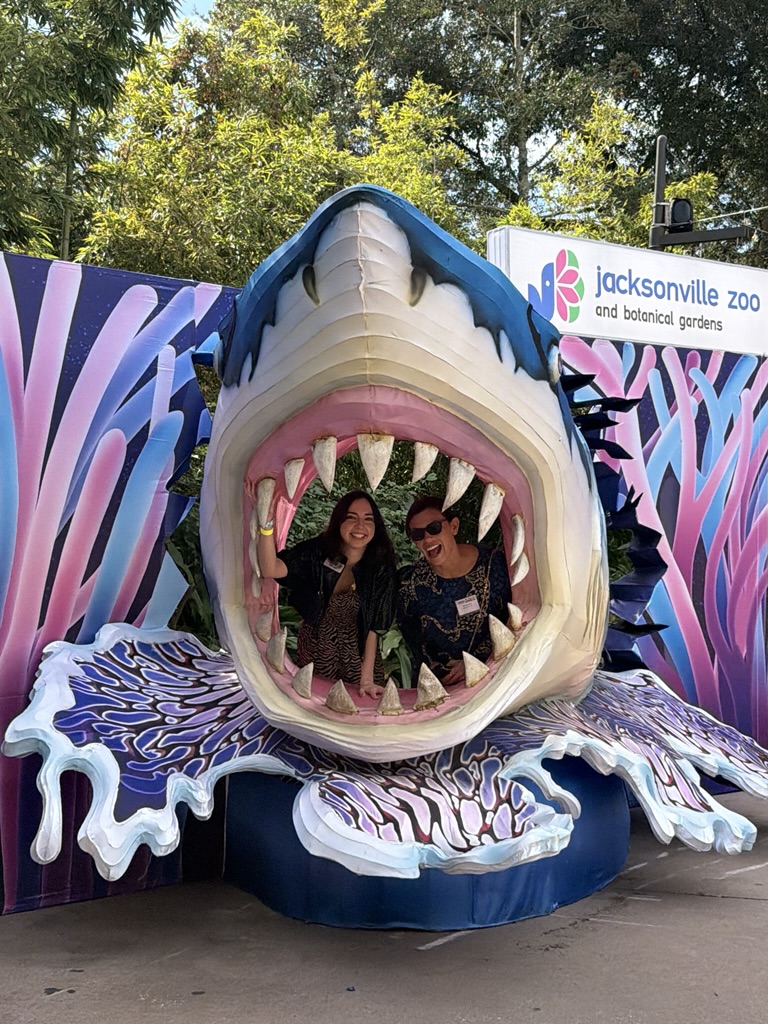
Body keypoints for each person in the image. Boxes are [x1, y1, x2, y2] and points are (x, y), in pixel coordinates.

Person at [251, 487, 397, 699]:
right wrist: (266, 526)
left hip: (358, 651)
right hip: (316, 646)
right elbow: (271, 568)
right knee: (315, 705)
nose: (360, 526)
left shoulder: (381, 566)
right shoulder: (318, 551)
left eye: (368, 519)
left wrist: (367, 680)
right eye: (351, 518)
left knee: (358, 705)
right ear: (339, 522)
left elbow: (373, 628)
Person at [397, 495, 512, 685]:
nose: (427, 538)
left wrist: (478, 662)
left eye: (434, 528)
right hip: (441, 690)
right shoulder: (409, 585)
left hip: (499, 680)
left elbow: (520, 619)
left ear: (454, 526)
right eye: (418, 535)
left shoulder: (497, 565)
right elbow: (416, 647)